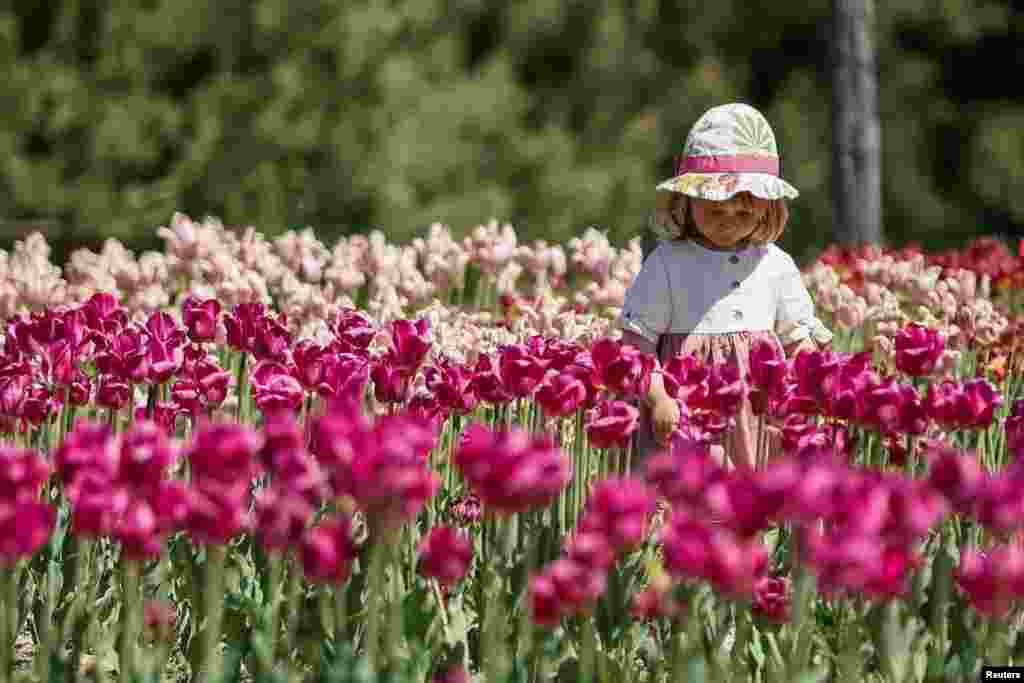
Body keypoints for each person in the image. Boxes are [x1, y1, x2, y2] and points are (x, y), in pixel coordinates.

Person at [618, 103, 833, 469]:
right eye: (715, 210)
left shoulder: (774, 265)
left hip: (759, 417)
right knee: (691, 508)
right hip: (687, 413)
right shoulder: (669, 263)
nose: (729, 221)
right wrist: (659, 399)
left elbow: (799, 341)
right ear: (688, 200)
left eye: (745, 212)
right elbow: (636, 346)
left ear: (767, 208)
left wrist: (817, 387)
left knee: (753, 506)